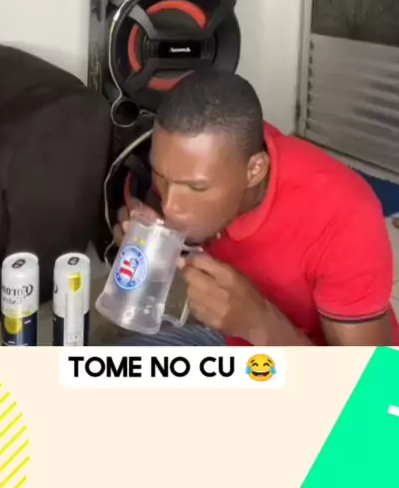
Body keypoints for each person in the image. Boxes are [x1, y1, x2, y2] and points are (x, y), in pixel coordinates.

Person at [113, 68, 398, 346]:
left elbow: (373, 378)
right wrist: (145, 230)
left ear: (255, 171)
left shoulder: (346, 220)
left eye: (196, 188)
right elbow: (158, 205)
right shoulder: (212, 154)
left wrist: (258, 323)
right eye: (161, 177)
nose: (170, 205)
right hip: (231, 337)